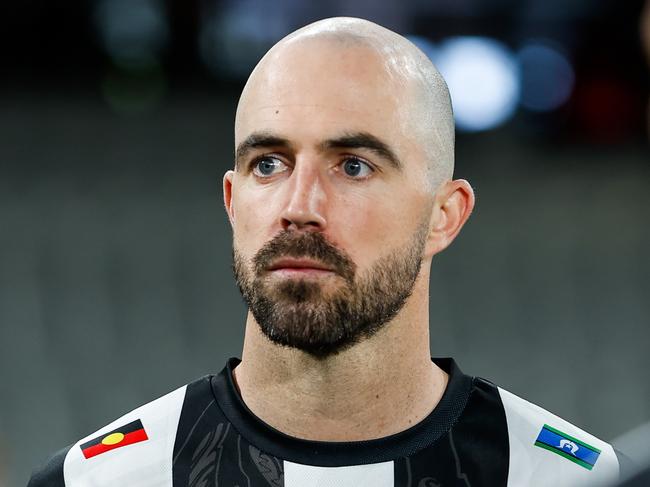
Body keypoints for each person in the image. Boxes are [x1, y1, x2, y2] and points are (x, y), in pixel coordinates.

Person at [29, 17, 625, 487]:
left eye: (354, 166)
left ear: (445, 216)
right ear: (234, 202)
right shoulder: (96, 480)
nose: (300, 204)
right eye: (268, 164)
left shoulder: (568, 478)